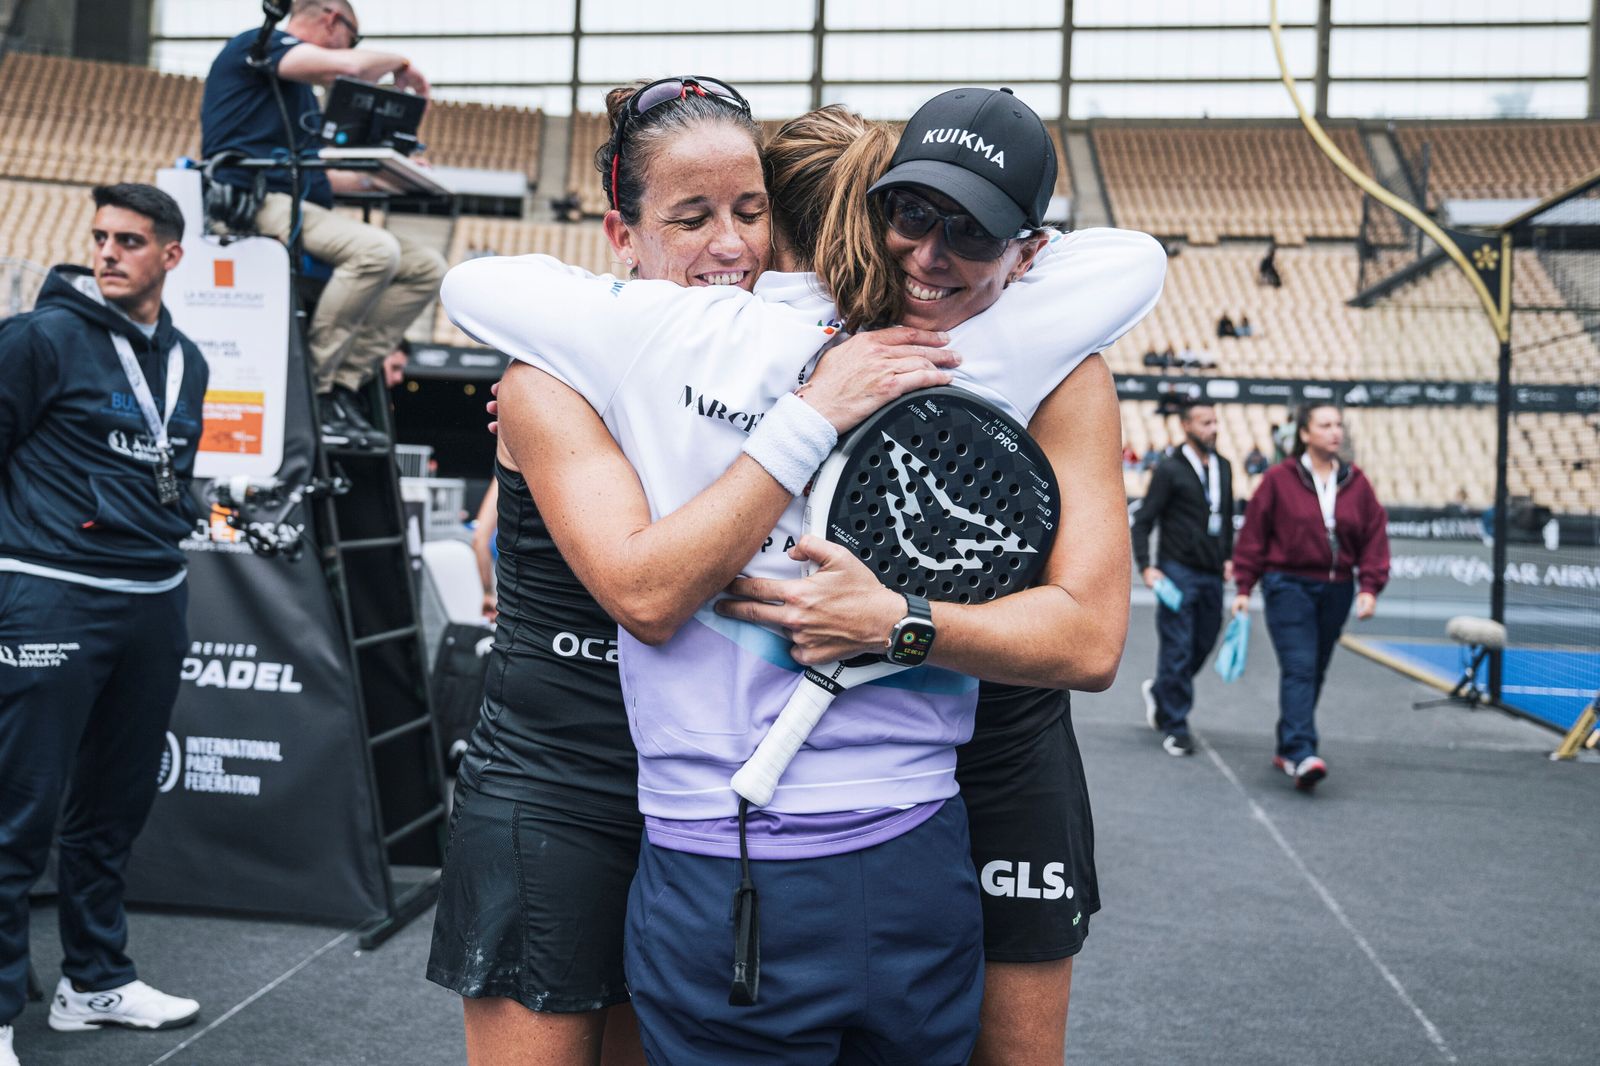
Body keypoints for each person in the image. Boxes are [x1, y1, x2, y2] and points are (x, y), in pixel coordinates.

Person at [449, 86, 1161, 1064]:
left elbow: (477, 289)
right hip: (779, 809)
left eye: (747, 214)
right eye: (907, 214)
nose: (928, 253)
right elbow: (1131, 262)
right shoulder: (638, 351)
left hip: (866, 796)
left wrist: (893, 619)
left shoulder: (640, 343)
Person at [426, 83, 963, 1066]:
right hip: (565, 783)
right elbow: (648, 595)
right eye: (692, 217)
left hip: (696, 809)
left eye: (751, 211)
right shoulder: (553, 372)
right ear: (619, 236)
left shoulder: (769, 354)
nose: (731, 246)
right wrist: (808, 417)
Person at [0, 184, 210, 1065]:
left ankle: (93, 983)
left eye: (131, 239)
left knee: (112, 810)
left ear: (171, 255)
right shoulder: (39, 338)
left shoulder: (187, 361)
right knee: (17, 815)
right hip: (51, 591)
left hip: (153, 598)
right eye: (101, 237)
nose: (110, 251)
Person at [199, 0, 445, 449]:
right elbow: (346, 67)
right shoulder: (259, 47)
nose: (352, 46)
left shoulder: (298, 94)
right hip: (253, 199)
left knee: (427, 267)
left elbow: (325, 172)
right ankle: (316, 387)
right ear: (334, 20)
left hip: (297, 201)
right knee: (375, 251)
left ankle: (345, 384)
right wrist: (401, 64)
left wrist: (393, 172)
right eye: (353, 36)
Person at [1231, 404, 1390, 791]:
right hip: (1288, 585)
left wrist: (1370, 586)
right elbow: (1254, 534)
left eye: (1338, 425)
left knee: (1315, 668)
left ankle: (1288, 743)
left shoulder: (1357, 482)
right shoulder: (1278, 479)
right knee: (1300, 665)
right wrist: (1243, 587)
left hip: (1337, 588)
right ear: (1304, 434)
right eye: (1325, 425)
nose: (1335, 432)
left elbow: (1374, 535)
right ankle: (1302, 752)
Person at [1131, 401, 1235, 756]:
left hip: (1211, 574)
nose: (1213, 428)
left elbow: (1228, 517)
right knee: (1177, 647)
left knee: (1203, 644)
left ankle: (1162, 691)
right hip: (1176, 571)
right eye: (1205, 422)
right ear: (1186, 426)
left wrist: (1229, 558)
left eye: (1215, 421)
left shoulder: (1224, 467)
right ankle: (1176, 726)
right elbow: (1143, 520)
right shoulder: (1169, 470)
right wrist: (1146, 565)